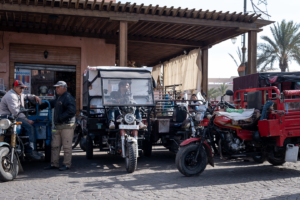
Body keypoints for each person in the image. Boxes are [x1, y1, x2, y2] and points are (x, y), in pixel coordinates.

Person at [0, 80, 42, 160]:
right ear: (15, 87)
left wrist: (34, 97)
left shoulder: (18, 94)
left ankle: (25, 147)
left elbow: (25, 96)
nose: (22, 90)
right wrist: (27, 120)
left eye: (23, 88)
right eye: (21, 88)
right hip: (9, 118)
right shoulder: (11, 96)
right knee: (30, 127)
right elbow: (16, 112)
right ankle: (30, 151)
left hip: (13, 117)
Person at [42, 81, 76, 171]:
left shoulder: (68, 97)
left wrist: (60, 118)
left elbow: (72, 111)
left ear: (64, 87)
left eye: (58, 87)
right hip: (59, 126)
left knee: (67, 146)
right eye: (56, 87)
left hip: (67, 126)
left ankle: (67, 164)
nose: (56, 89)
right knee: (55, 146)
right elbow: (51, 103)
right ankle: (54, 164)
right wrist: (40, 104)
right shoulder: (59, 98)